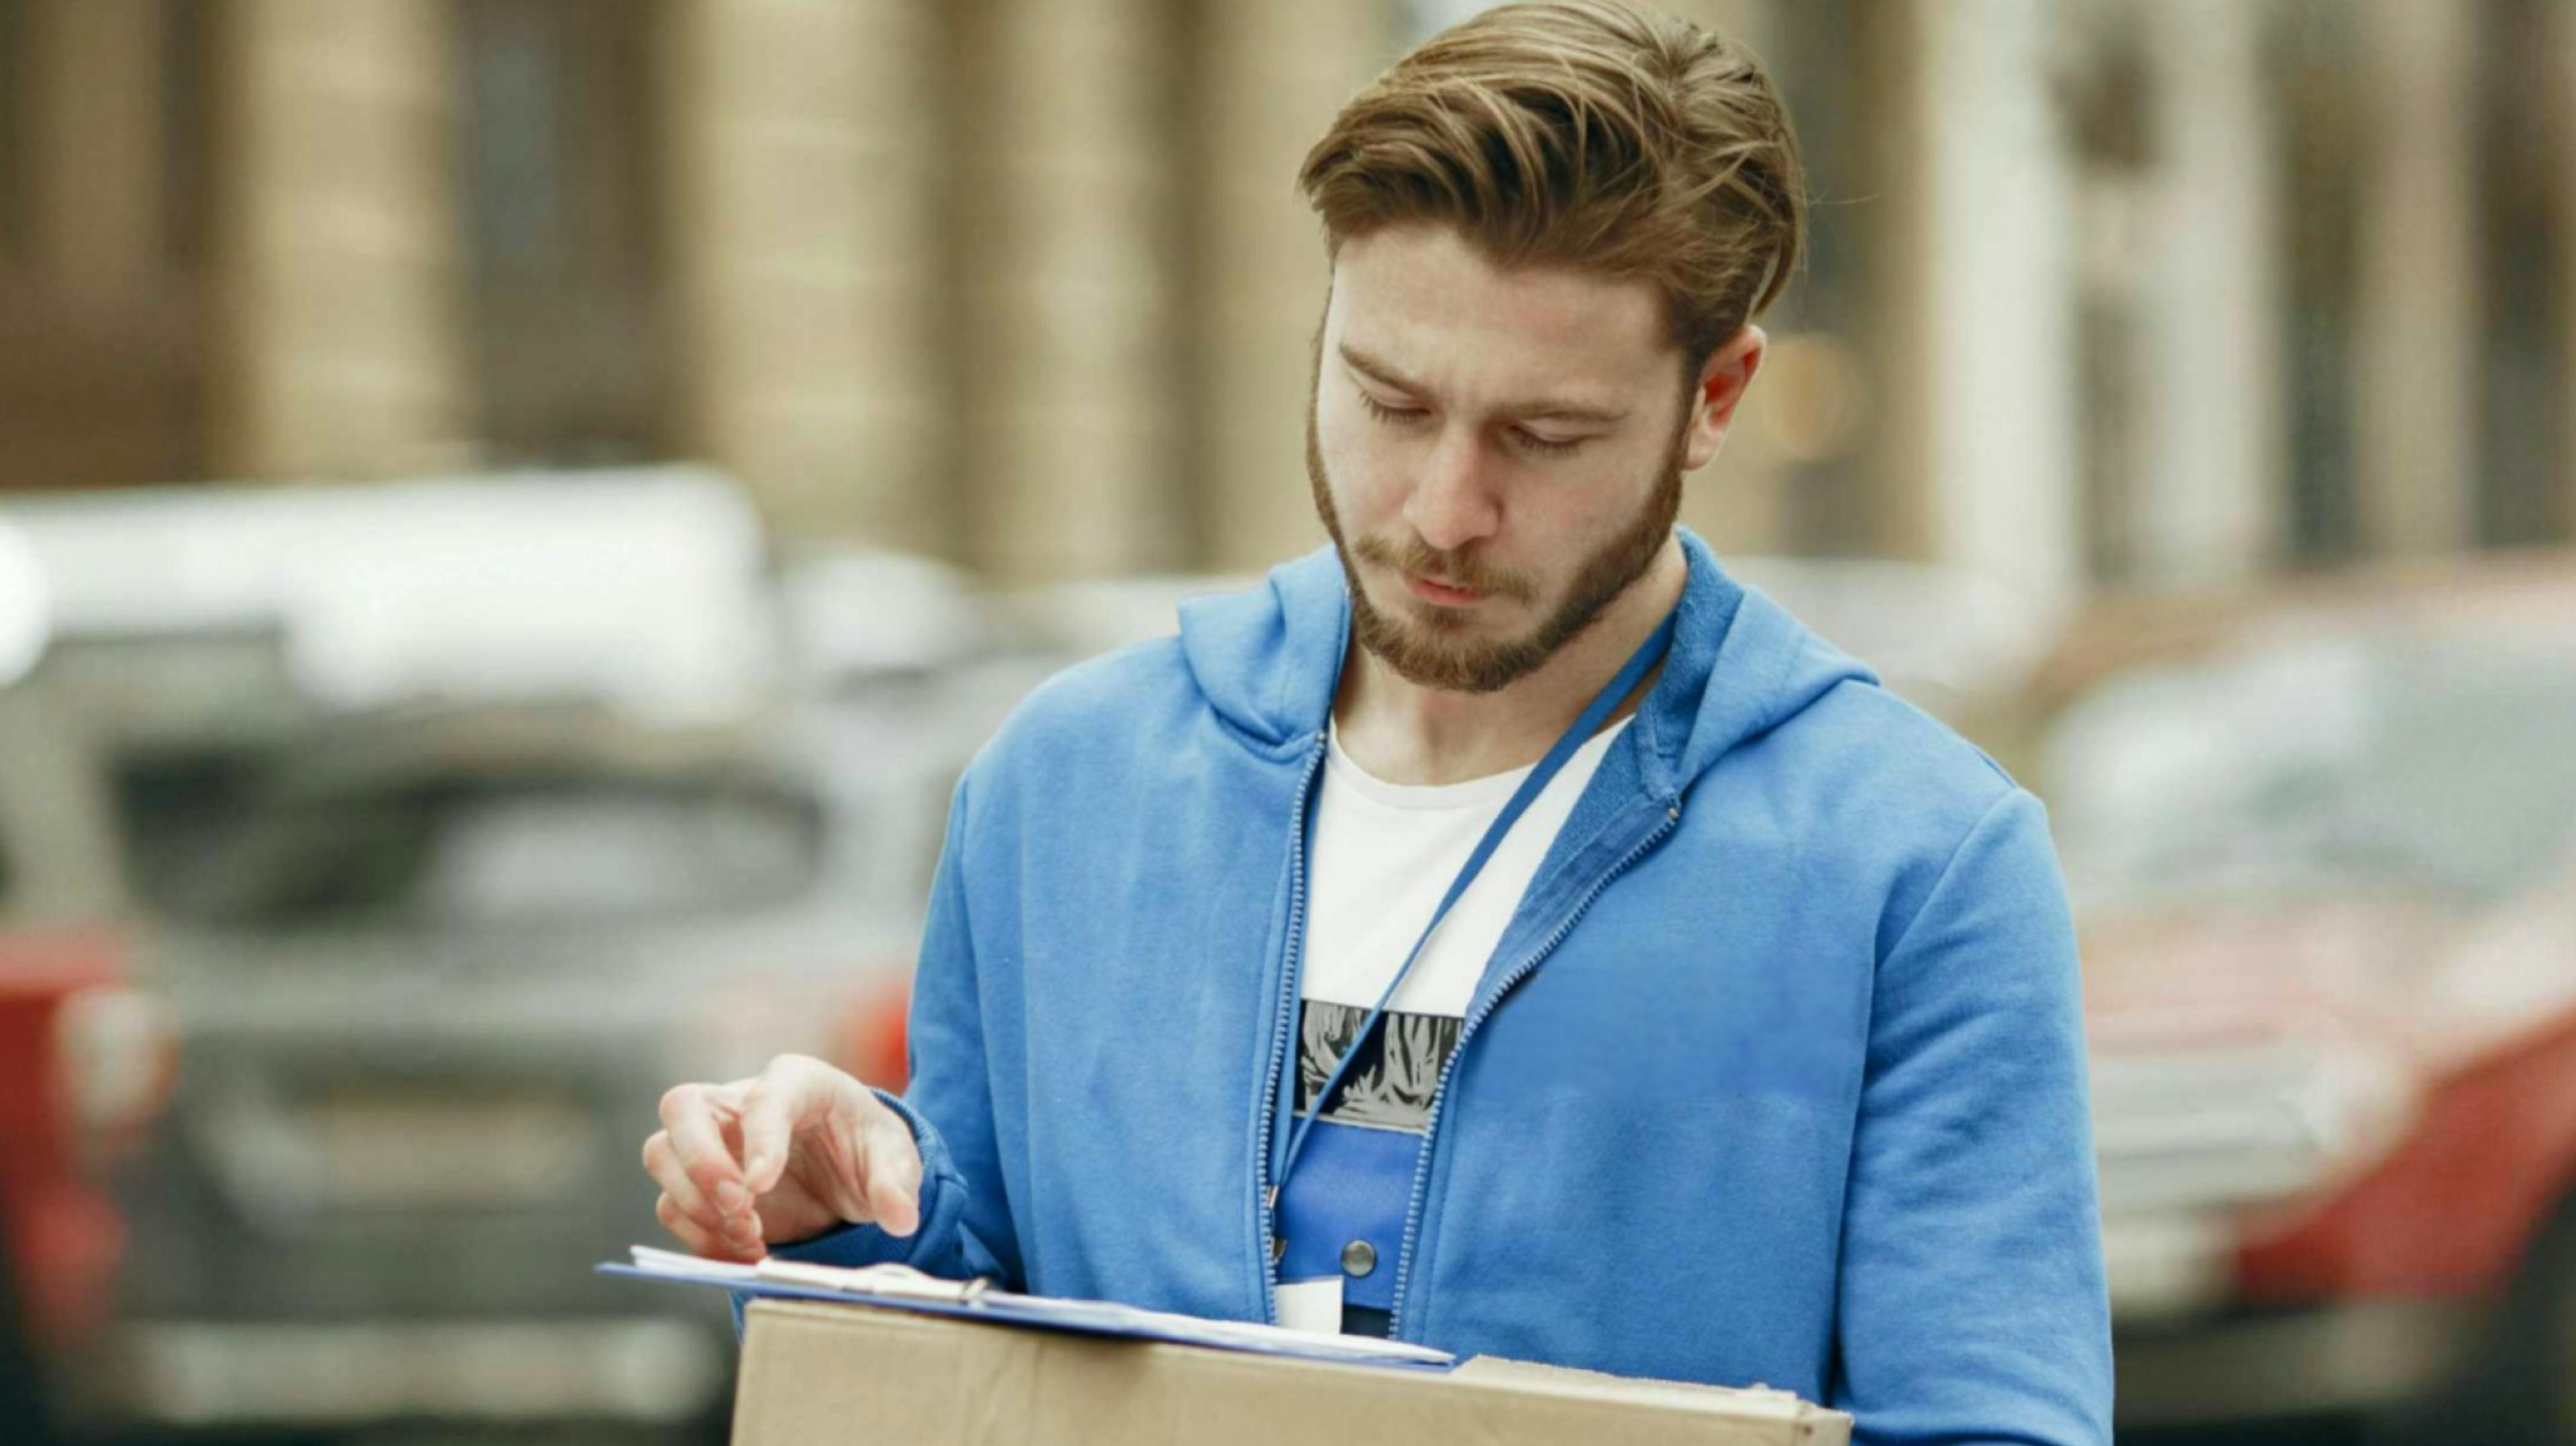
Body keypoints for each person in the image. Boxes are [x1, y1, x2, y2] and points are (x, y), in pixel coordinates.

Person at [641, 3, 2112, 1441]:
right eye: (1390, 400)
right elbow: (982, 1331)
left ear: (1714, 396)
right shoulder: (1062, 785)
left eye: (1546, 437)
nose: (1442, 511)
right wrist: (845, 1213)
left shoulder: (1918, 870)